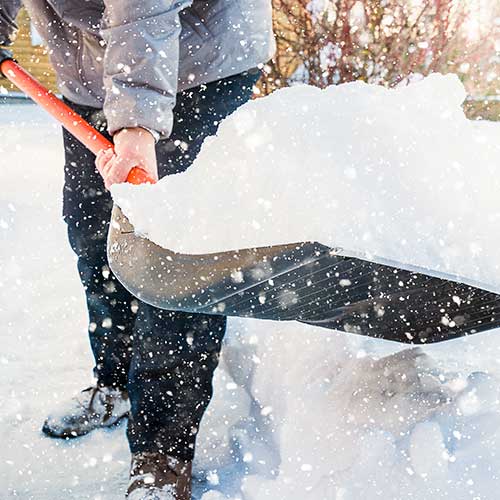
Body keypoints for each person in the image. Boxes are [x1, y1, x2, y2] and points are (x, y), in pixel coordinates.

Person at [0, 1, 275, 498]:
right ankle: (117, 383)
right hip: (93, 68)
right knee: (94, 233)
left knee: (175, 258)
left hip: (199, 59)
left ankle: (162, 454)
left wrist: (136, 123)